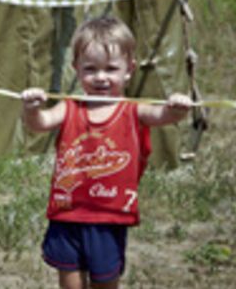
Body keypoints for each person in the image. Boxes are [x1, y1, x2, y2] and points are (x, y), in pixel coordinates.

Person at [22, 16, 192, 289]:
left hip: (108, 216)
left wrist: (177, 107)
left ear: (129, 70)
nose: (100, 77)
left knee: (105, 283)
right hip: (67, 213)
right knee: (70, 283)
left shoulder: (134, 110)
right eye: (90, 69)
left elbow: (164, 115)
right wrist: (31, 109)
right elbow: (39, 124)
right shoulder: (69, 108)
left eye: (111, 69)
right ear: (76, 69)